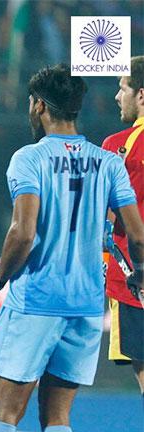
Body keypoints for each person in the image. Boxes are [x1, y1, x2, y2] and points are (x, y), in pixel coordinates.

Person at [0, 64, 144, 432]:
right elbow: (137, 235)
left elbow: (23, 232)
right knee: (58, 416)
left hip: (35, 300)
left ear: (38, 106)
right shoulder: (108, 161)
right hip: (85, 306)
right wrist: (139, 273)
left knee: (5, 412)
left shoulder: (29, 159)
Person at [102, 55, 144, 396]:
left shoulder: (119, 146)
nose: (118, 96)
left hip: (134, 280)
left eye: (123, 87)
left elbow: (105, 218)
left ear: (141, 95)